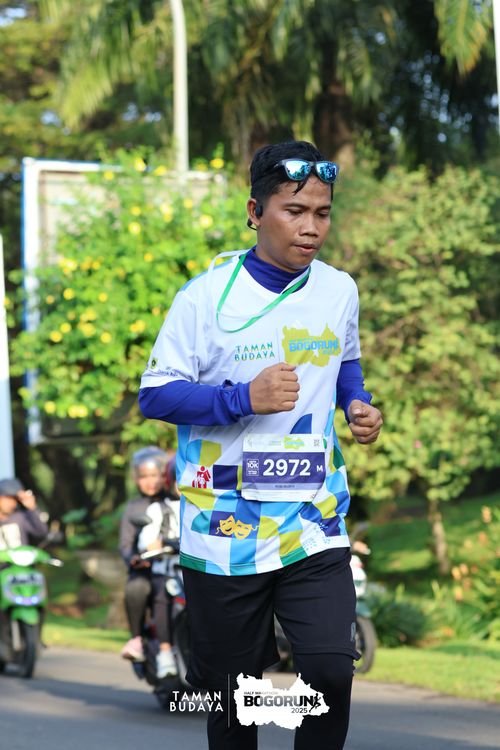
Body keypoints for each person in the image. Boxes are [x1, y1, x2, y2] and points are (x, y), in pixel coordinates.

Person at [139, 140, 383, 750]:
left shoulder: (339, 289)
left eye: (322, 213)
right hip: (223, 528)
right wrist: (243, 398)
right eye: (294, 211)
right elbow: (155, 395)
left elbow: (346, 362)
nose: (311, 227)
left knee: (330, 672)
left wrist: (355, 403)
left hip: (312, 518)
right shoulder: (205, 297)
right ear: (255, 211)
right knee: (232, 699)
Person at [119, 446, 171, 663]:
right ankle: (137, 639)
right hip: (146, 567)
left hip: (173, 564)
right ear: (136, 479)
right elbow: (125, 544)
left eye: (155, 475)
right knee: (136, 588)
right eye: (144, 477)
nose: (150, 482)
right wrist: (133, 559)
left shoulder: (173, 500)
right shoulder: (133, 507)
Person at [137, 456, 180, 679]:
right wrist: (162, 543)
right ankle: (164, 651)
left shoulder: (204, 507)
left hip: (197, 572)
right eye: (180, 480)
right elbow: (146, 541)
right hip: (169, 570)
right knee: (163, 594)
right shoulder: (158, 509)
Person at [0, 478, 48, 550]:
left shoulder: (20, 518)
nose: (12, 503)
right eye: (8, 498)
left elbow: (41, 533)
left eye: (15, 499)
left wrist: (32, 508)